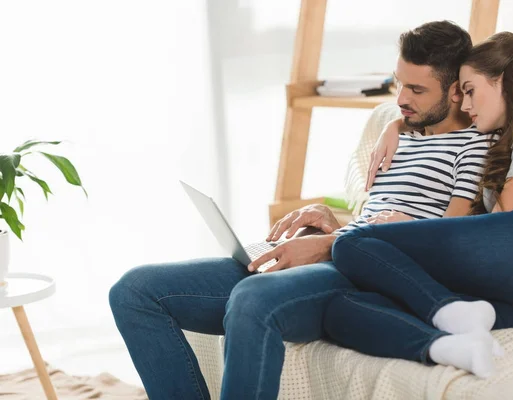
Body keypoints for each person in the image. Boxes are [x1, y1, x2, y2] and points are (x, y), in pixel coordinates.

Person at [108, 21, 491, 399]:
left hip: (363, 277)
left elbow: (443, 239)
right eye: (399, 83)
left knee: (252, 297)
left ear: (457, 91)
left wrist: (329, 244)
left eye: (417, 89)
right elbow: (375, 216)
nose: (401, 99)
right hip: (339, 251)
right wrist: (330, 222)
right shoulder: (400, 132)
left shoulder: (474, 146)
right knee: (135, 291)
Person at [323, 31, 513, 379]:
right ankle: (451, 345)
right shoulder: (502, 140)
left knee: (351, 244)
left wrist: (407, 230)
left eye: (470, 91)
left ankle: (449, 308)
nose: (465, 105)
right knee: (341, 309)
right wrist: (395, 123)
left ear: (505, 82)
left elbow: (509, 217)